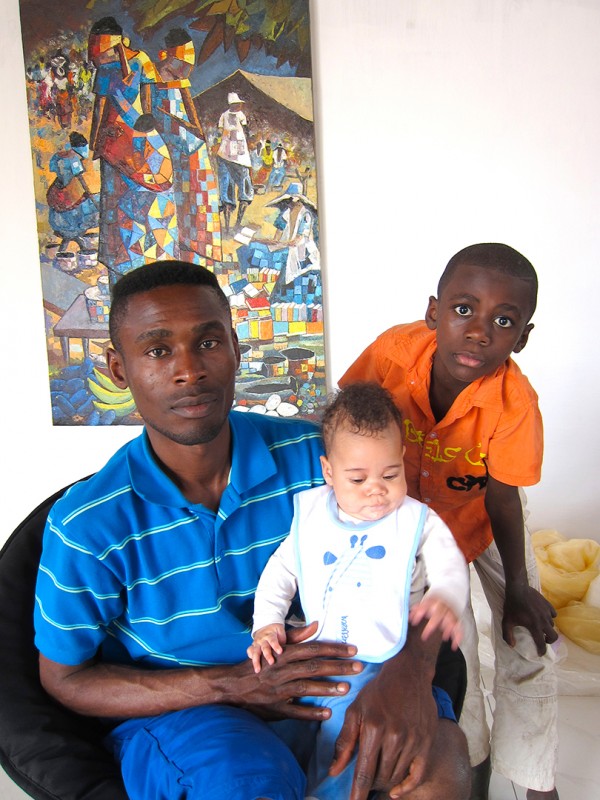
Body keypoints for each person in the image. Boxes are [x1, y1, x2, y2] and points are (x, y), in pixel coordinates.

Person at [34, 260, 470, 800]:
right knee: (248, 784)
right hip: (195, 714)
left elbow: (416, 561)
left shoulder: (321, 460)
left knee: (436, 770)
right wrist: (229, 684)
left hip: (345, 678)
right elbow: (64, 678)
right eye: (157, 350)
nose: (189, 370)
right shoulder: (87, 525)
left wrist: (407, 674)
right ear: (119, 370)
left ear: (237, 350)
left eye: (209, 343)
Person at [339, 243, 560, 800]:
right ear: (434, 311)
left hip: (483, 516)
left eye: (503, 321)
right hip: (408, 520)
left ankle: (538, 782)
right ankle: (472, 765)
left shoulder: (515, 403)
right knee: (450, 644)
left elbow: (504, 501)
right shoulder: (393, 354)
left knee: (526, 641)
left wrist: (517, 585)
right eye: (465, 310)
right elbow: (347, 424)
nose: (480, 331)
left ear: (523, 338)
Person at [248, 382, 470, 799]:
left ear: (402, 460)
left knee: (344, 745)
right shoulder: (312, 518)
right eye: (357, 478)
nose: (376, 489)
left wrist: (446, 597)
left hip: (388, 660)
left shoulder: (415, 520)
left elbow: (450, 563)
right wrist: (267, 625)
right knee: (310, 734)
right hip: (324, 657)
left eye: (390, 474)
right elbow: (279, 573)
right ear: (329, 471)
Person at [88, 16, 178, 281]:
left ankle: (153, 259)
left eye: (104, 52)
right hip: (113, 142)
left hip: (140, 137)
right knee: (115, 204)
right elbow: (100, 107)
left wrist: (148, 121)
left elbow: (149, 96)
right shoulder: (105, 70)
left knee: (151, 195)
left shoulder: (139, 60)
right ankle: (122, 263)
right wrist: (96, 143)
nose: (101, 59)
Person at [153, 28, 222, 266]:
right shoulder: (157, 85)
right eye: (182, 61)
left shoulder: (176, 84)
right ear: (165, 55)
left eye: (189, 63)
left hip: (191, 166)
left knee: (196, 223)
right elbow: (171, 128)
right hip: (178, 166)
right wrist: (197, 142)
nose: (187, 68)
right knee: (186, 223)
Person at [46, 131, 99, 253]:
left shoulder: (58, 156)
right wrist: (89, 195)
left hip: (56, 192)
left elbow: (54, 169)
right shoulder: (74, 160)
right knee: (92, 206)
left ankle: (71, 237)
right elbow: (80, 179)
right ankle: (73, 232)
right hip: (65, 198)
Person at [216, 92, 254, 233]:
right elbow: (245, 130)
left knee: (226, 189)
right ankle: (237, 224)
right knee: (244, 188)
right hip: (240, 157)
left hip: (224, 155)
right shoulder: (241, 115)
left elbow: (220, 132)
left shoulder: (223, 116)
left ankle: (227, 228)